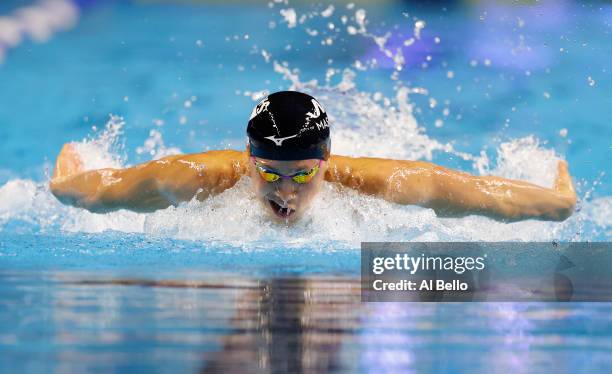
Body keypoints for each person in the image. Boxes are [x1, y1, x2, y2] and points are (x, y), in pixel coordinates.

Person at [49, 91, 577, 222]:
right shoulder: (190, 178)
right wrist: (66, 178)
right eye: (268, 172)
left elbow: (480, 193)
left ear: (327, 160)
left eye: (303, 173)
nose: (284, 190)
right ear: (247, 158)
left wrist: (557, 202)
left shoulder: (387, 184)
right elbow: (100, 192)